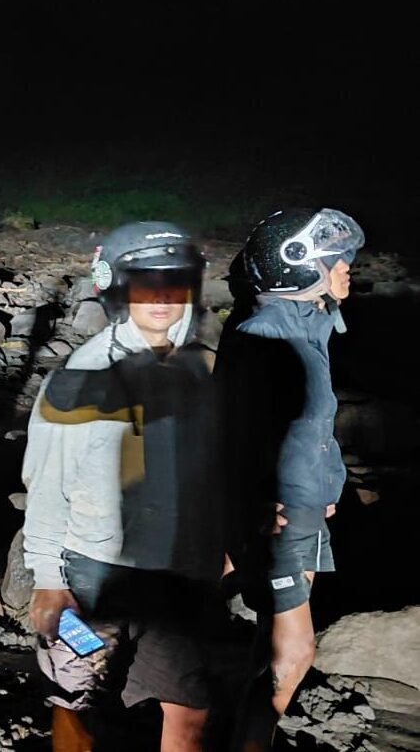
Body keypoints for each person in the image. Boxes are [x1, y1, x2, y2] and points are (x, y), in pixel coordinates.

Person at [22, 221, 226, 751]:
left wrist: (224, 541)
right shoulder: (82, 375)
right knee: (78, 710)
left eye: (175, 279)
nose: (161, 295)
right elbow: (46, 485)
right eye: (144, 280)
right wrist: (48, 578)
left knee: (190, 713)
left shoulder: (206, 373)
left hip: (178, 576)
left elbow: (211, 472)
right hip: (97, 575)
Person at [216, 208, 365, 752]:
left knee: (267, 645)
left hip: (302, 508)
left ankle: (242, 734)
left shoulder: (295, 325)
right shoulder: (266, 343)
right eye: (338, 261)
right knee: (293, 654)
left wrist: (326, 490)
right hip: (283, 517)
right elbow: (236, 437)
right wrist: (256, 509)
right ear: (300, 269)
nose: (348, 269)